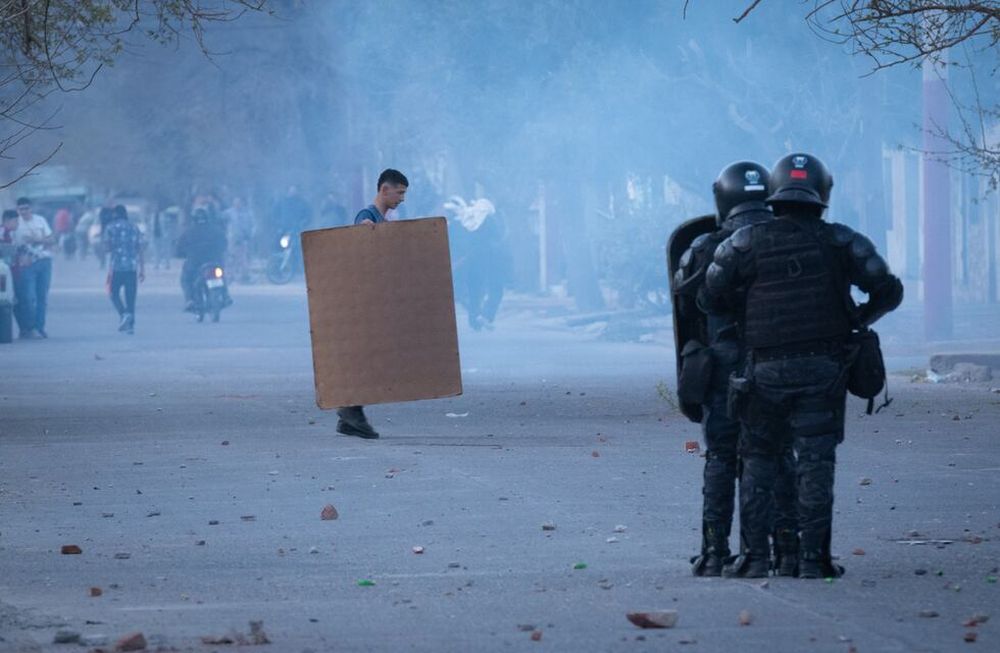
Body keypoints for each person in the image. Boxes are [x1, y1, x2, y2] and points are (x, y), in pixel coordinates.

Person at [701, 153, 903, 579]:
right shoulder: (841, 241)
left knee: (758, 460)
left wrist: (749, 314)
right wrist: (856, 321)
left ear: (774, 191)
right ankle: (813, 560)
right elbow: (888, 289)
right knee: (816, 463)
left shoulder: (744, 243)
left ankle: (756, 559)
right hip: (823, 372)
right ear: (822, 192)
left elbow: (711, 297)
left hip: (763, 372)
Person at [673, 161, 797, 577]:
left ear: (723, 198)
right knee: (779, 455)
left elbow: (686, 308)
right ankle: (788, 552)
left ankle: (713, 553)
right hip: (776, 365)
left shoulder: (703, 247)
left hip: (722, 368)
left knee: (722, 458)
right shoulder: (790, 240)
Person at [335, 168, 409, 440]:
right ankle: (350, 411)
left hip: (374, 301)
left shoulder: (383, 220)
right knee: (366, 358)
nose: (402, 198)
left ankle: (350, 415)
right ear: (384, 190)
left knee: (371, 358)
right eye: (399, 192)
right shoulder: (366, 217)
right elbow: (360, 249)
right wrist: (365, 232)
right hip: (363, 303)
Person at [13, 197, 55, 339]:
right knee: (28, 297)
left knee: (42, 297)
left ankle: (39, 327)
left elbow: (51, 240)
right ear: (17, 210)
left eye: (26, 208)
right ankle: (28, 327)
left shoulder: (40, 220)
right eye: (21, 209)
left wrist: (37, 240)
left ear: (31, 208)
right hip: (26, 264)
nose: (24, 211)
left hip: (44, 260)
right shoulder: (16, 223)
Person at [102, 204, 145, 334]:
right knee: (130, 297)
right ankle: (130, 326)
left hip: (116, 267)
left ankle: (123, 314)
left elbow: (107, 248)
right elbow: (140, 249)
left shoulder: (110, 227)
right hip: (132, 267)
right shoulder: (134, 227)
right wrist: (142, 269)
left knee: (113, 292)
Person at [175, 208, 228, 312]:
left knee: (185, 279)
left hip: (194, 263)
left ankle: (189, 299)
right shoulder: (216, 230)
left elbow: (179, 248)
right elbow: (224, 243)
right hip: (214, 261)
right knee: (221, 276)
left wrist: (180, 254)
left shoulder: (188, 232)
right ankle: (226, 296)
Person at [223, 197, 254, 282]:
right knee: (231, 257)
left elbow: (251, 225)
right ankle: (230, 275)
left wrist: (249, 234)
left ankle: (245, 276)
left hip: (243, 239)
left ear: (242, 203)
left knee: (243, 257)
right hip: (232, 238)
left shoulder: (247, 213)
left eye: (239, 202)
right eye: (235, 202)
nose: (237, 204)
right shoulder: (229, 212)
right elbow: (220, 218)